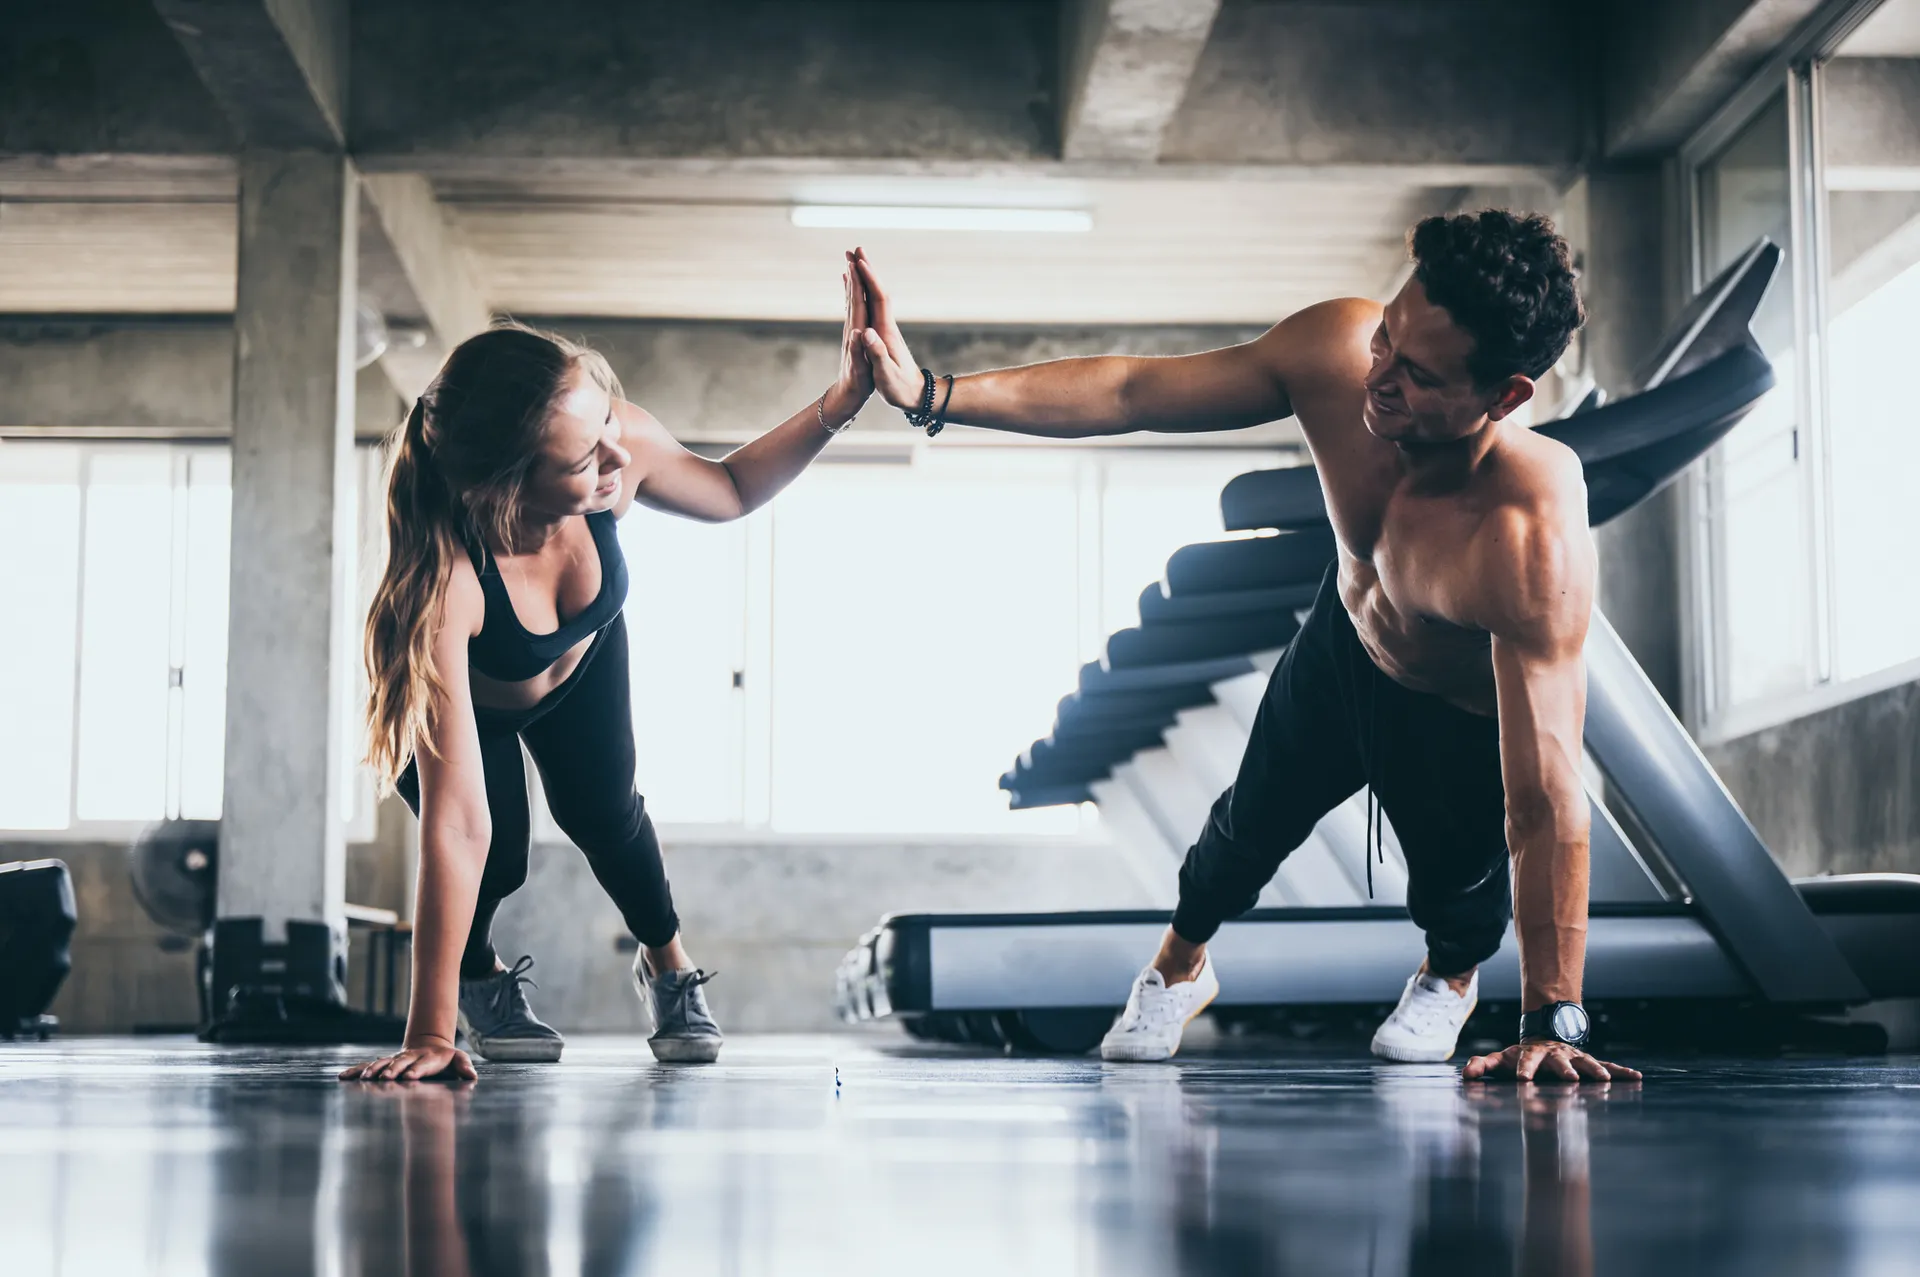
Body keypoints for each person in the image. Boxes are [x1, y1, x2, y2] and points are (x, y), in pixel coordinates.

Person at [850, 212, 1641, 1083]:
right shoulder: (1337, 347)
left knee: (1458, 897)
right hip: (1346, 638)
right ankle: (1179, 966)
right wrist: (930, 392)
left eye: (1417, 376)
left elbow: (1549, 798)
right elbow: (1131, 392)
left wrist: (1553, 1018)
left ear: (1505, 397)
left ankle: (1448, 977)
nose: (1377, 376)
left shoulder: (1525, 532)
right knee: (1241, 830)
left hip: (1451, 712)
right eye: (1386, 338)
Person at [339, 272, 874, 1082]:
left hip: (580, 662)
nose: (621, 455)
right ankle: (476, 981)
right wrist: (429, 1031)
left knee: (607, 812)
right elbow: (455, 823)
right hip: (473, 704)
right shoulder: (444, 583)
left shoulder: (607, 441)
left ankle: (668, 965)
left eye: (605, 423)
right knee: (501, 853)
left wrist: (841, 400)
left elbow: (728, 489)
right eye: (587, 456)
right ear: (505, 488)